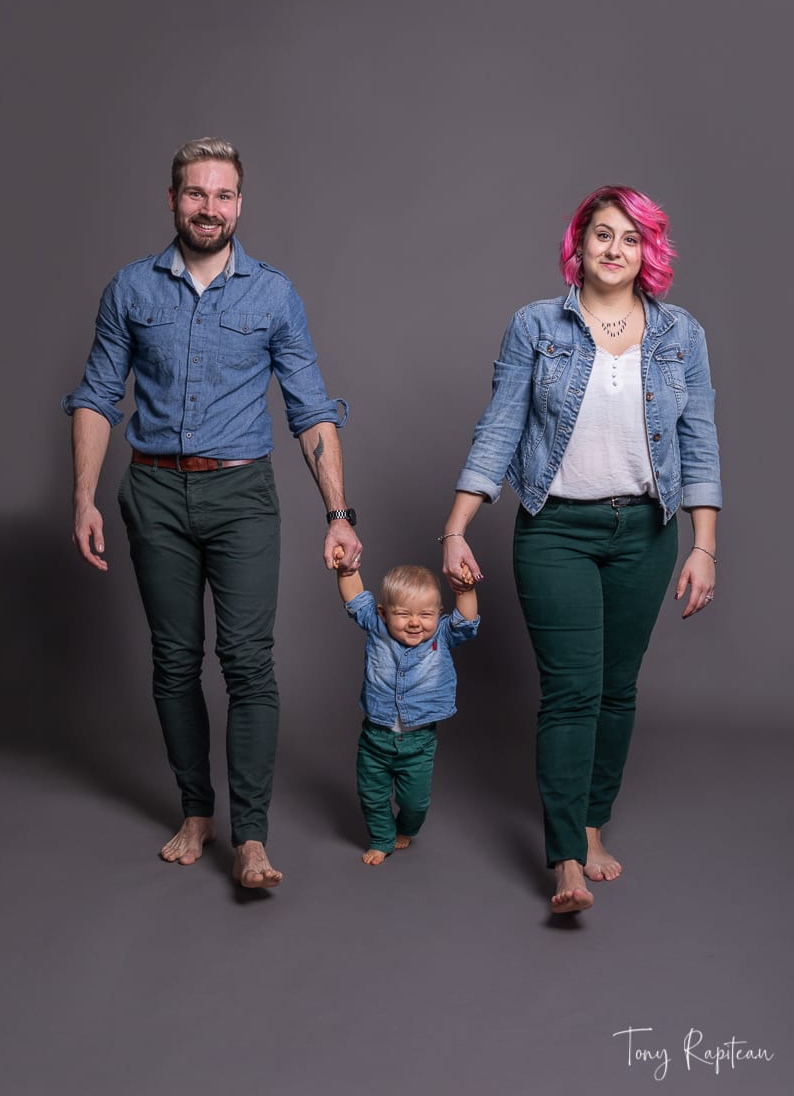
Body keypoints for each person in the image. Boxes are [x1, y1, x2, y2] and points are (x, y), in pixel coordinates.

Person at [63, 137, 362, 889]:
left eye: (223, 195)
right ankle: (196, 810)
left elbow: (311, 411)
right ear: (172, 200)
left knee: (248, 661)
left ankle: (252, 837)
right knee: (174, 661)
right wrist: (85, 497)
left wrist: (338, 513)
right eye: (195, 193)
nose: (209, 207)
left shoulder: (273, 294)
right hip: (155, 492)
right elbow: (99, 394)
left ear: (240, 204)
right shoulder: (131, 289)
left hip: (242, 498)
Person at [440, 185, 721, 914]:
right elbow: (499, 427)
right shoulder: (536, 326)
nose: (615, 249)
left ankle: (593, 824)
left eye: (630, 238)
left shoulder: (681, 334)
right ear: (580, 243)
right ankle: (565, 854)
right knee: (571, 690)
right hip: (555, 530)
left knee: (616, 688)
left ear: (648, 252)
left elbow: (699, 441)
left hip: (647, 534)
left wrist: (704, 545)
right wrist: (457, 526)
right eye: (602, 234)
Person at [336, 560, 479, 864]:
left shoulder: (441, 635)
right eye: (403, 614)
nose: (415, 623)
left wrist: (466, 590)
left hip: (419, 743)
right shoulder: (376, 627)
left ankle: (406, 828)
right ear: (384, 613)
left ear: (438, 615)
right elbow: (354, 598)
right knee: (371, 796)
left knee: (414, 803)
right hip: (375, 737)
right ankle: (381, 839)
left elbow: (466, 622)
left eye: (425, 615)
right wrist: (346, 570)